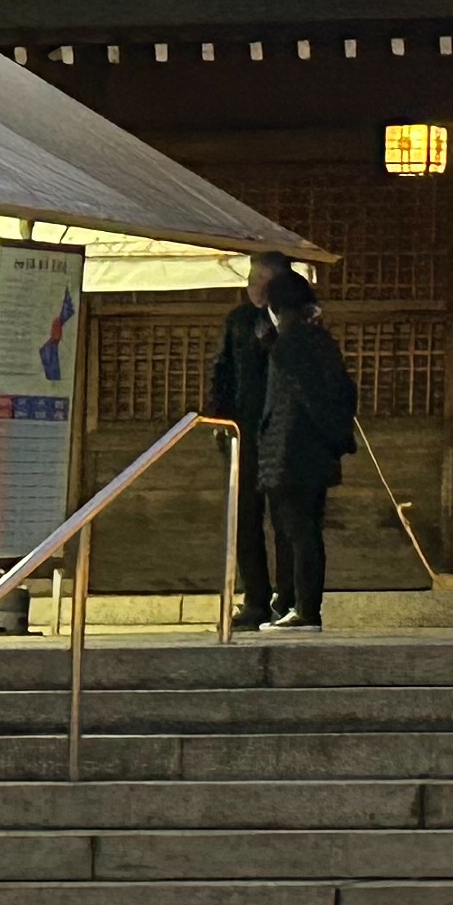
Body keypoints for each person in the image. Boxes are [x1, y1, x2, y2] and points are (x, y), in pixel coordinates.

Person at [253, 266, 357, 633]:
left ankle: (304, 608)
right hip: (313, 452)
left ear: (278, 306)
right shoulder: (319, 340)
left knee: (298, 533)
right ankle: (302, 605)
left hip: (291, 452)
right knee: (307, 531)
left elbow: (304, 396)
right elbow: (343, 392)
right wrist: (337, 437)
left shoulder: (291, 343)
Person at [207, 248, 288, 625]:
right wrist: (219, 419)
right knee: (245, 517)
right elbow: (222, 370)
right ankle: (255, 597)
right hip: (242, 429)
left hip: (281, 432)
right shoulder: (238, 319)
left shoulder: (293, 322)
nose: (253, 288)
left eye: (261, 281)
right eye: (251, 279)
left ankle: (287, 597)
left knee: (286, 519)